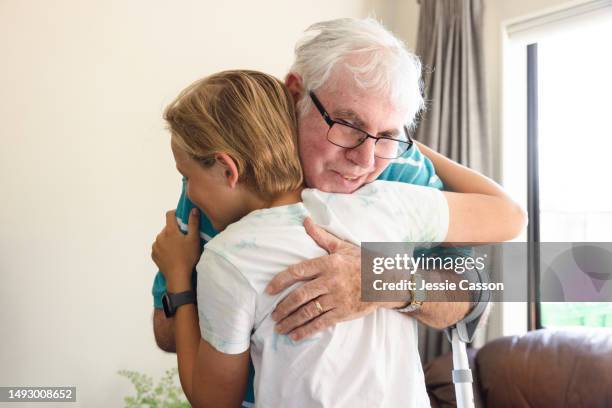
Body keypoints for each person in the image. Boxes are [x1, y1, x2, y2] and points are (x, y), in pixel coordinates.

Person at [151, 18, 526, 406]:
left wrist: (384, 281)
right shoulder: (216, 184)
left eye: (388, 134)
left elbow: (477, 288)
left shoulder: (395, 172)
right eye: (348, 125)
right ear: (295, 93)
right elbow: (165, 333)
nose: (363, 161)